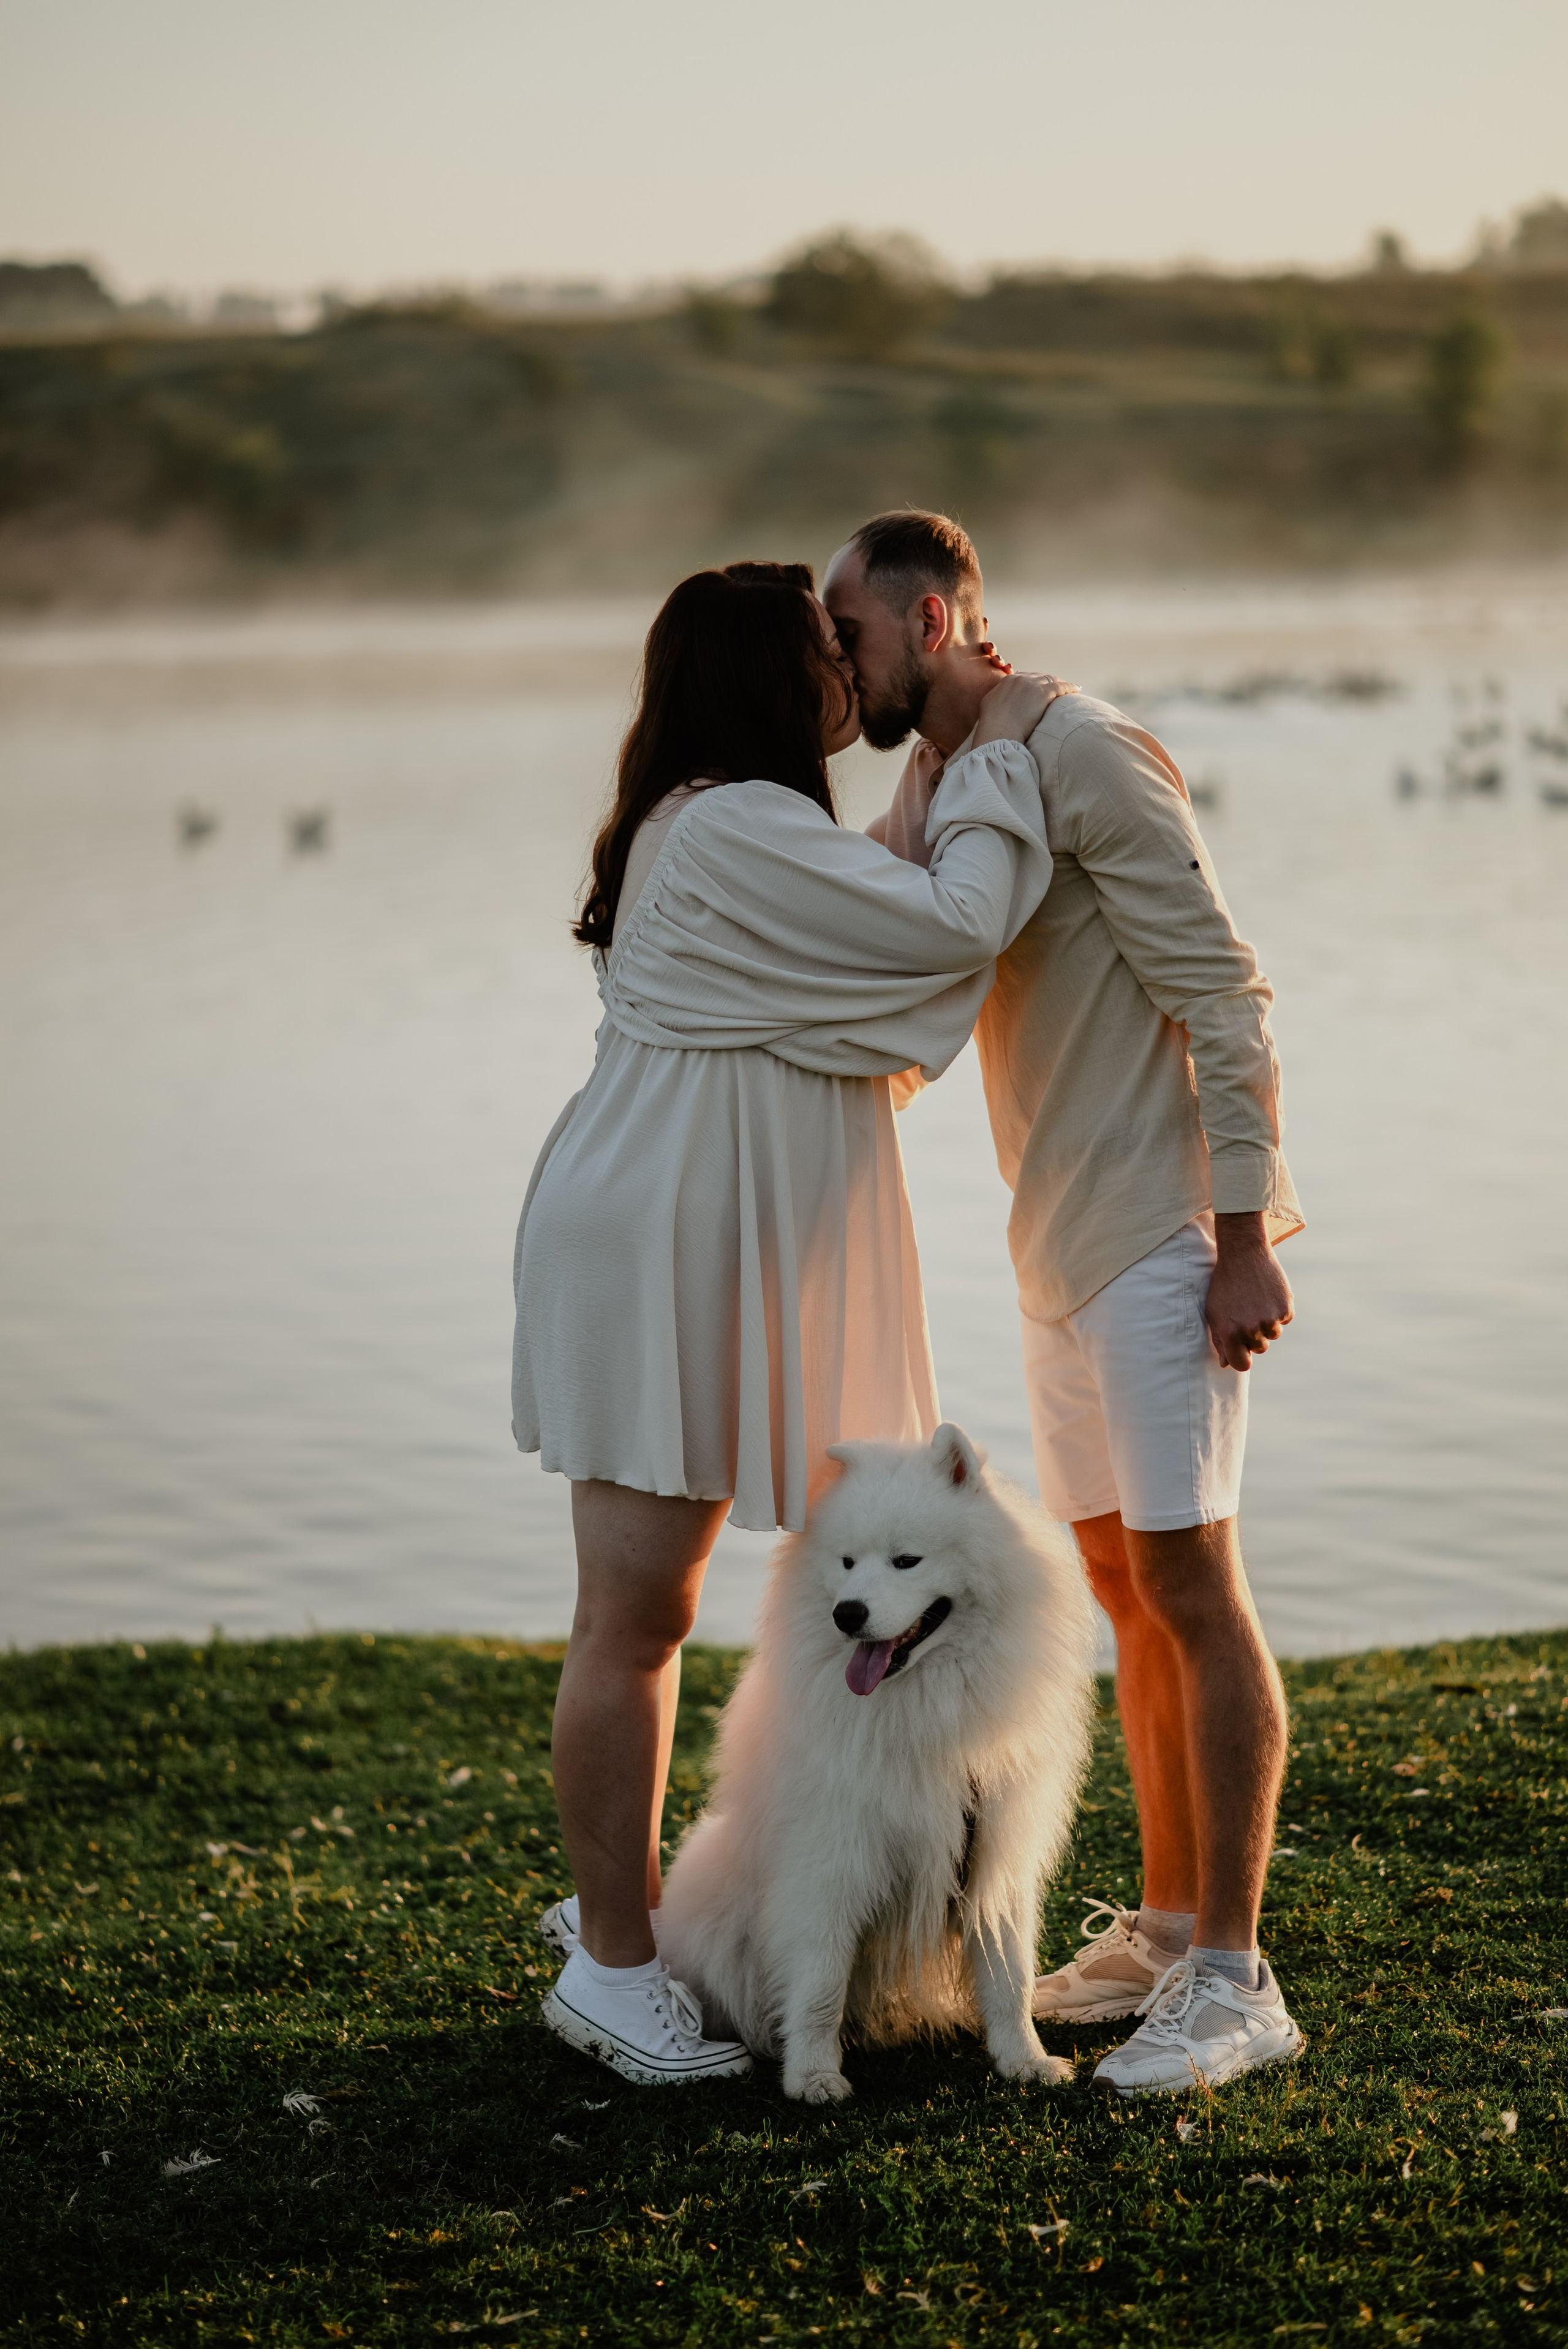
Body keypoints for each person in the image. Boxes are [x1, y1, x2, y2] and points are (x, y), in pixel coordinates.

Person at [512, 559, 1058, 2085]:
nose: (843, 669)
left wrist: (940, 756)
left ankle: (622, 1917)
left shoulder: (720, 824)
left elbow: (871, 911)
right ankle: (613, 1965)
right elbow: (954, 920)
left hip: (691, 1223)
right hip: (665, 1240)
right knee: (635, 1619)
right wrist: (998, 749)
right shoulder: (736, 825)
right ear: (770, 675)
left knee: (647, 1611)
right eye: (823, 648)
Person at [824, 511, 1306, 2095]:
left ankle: (1234, 1979)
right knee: (1119, 1582)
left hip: (1162, 1234)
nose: (837, 665)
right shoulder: (934, 779)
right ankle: (1166, 1929)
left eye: (849, 634)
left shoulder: (1082, 750)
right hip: (1055, 1249)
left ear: (935, 617)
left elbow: (1223, 989)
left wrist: (1241, 1233)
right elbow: (872, 950)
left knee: (1191, 1583)